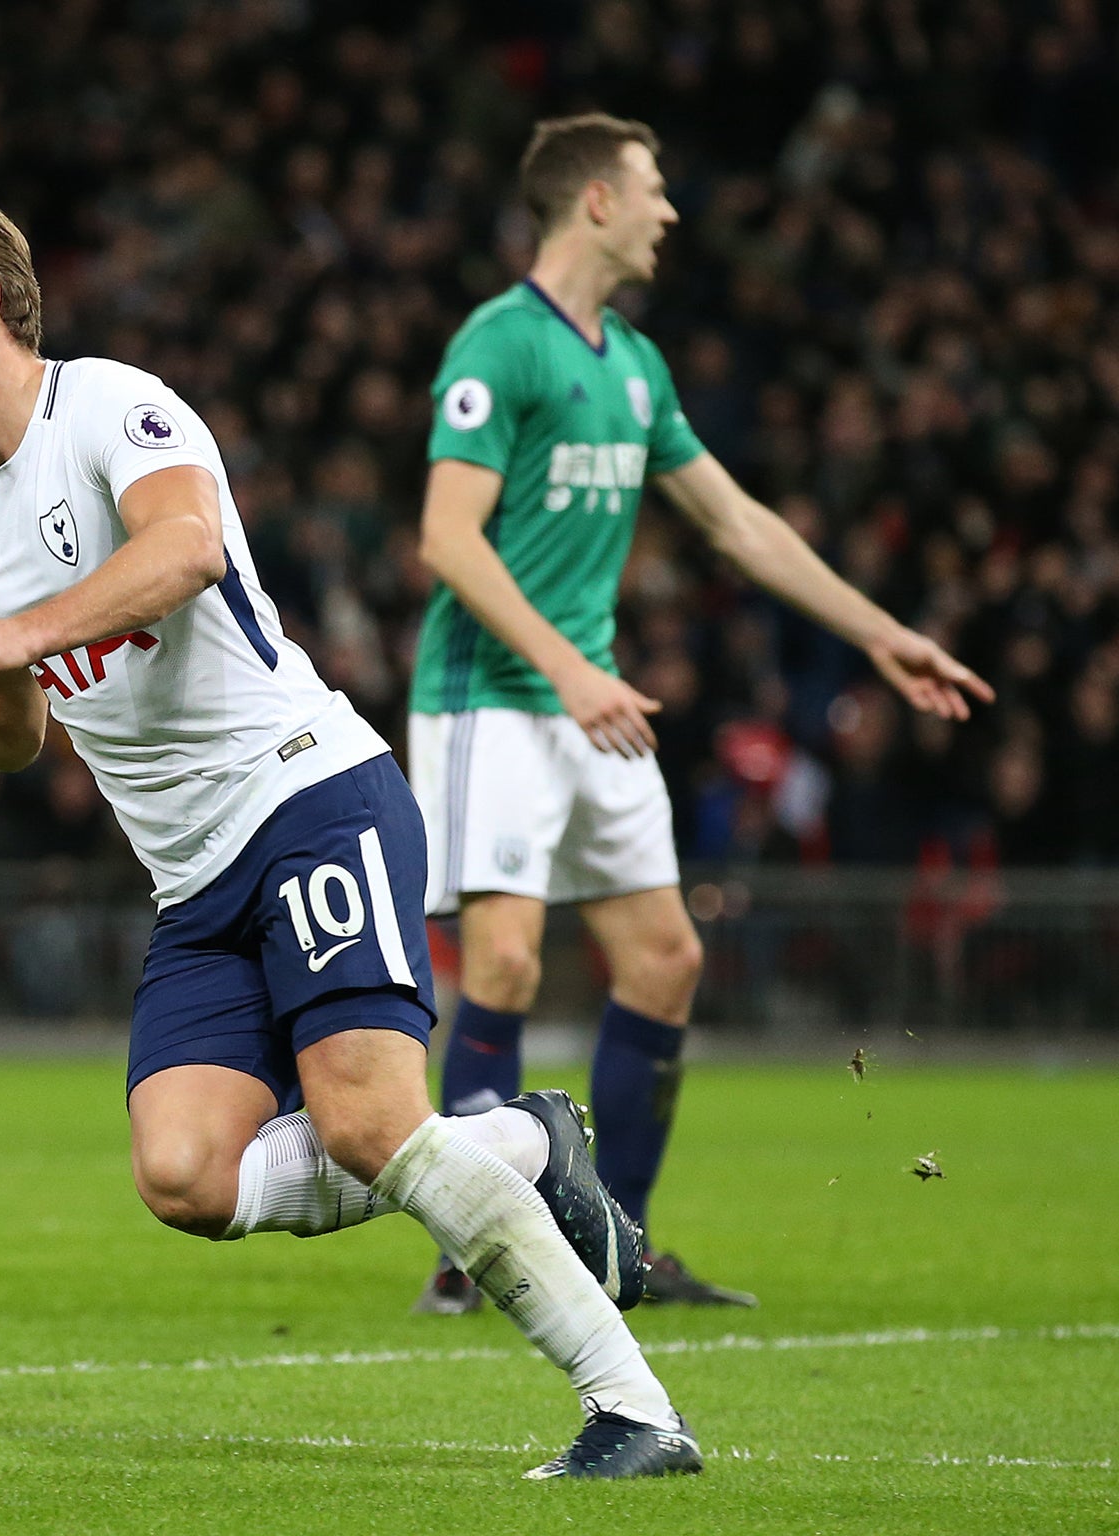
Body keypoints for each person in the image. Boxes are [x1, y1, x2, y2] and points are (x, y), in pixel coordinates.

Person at [0, 190, 702, 1479]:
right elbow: (9, 733)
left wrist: (20, 629)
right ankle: (526, 1142)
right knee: (185, 1176)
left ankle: (635, 1414)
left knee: (366, 1126)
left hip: (306, 795)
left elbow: (185, 548)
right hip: (194, 883)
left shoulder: (113, 407)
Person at [408, 115, 992, 1313]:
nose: (672, 211)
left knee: (667, 959)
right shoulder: (498, 344)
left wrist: (878, 632)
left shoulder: (633, 364)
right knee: (507, 959)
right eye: (654, 188)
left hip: (596, 701)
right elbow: (445, 539)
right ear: (597, 205)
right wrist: (567, 672)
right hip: (493, 704)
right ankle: (473, 1252)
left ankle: (620, 1245)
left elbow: (738, 525)